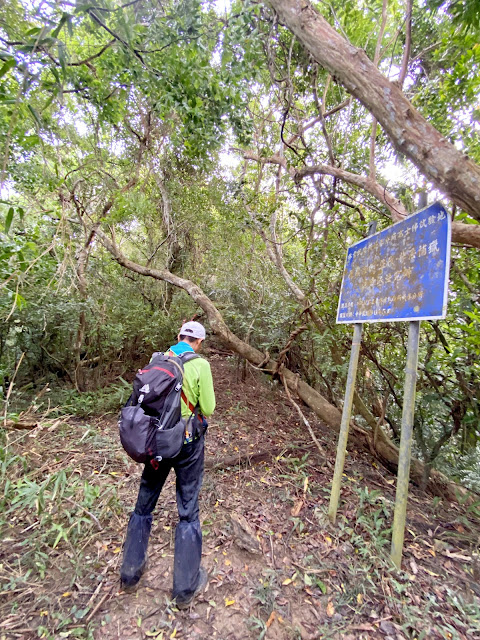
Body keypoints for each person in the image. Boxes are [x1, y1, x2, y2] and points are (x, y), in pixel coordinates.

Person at [120, 321, 215, 609]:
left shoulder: (157, 359)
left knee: (144, 503)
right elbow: (208, 408)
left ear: (178, 338)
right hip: (186, 445)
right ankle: (185, 589)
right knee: (188, 509)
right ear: (198, 342)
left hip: (156, 444)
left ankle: (130, 574)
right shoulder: (200, 365)